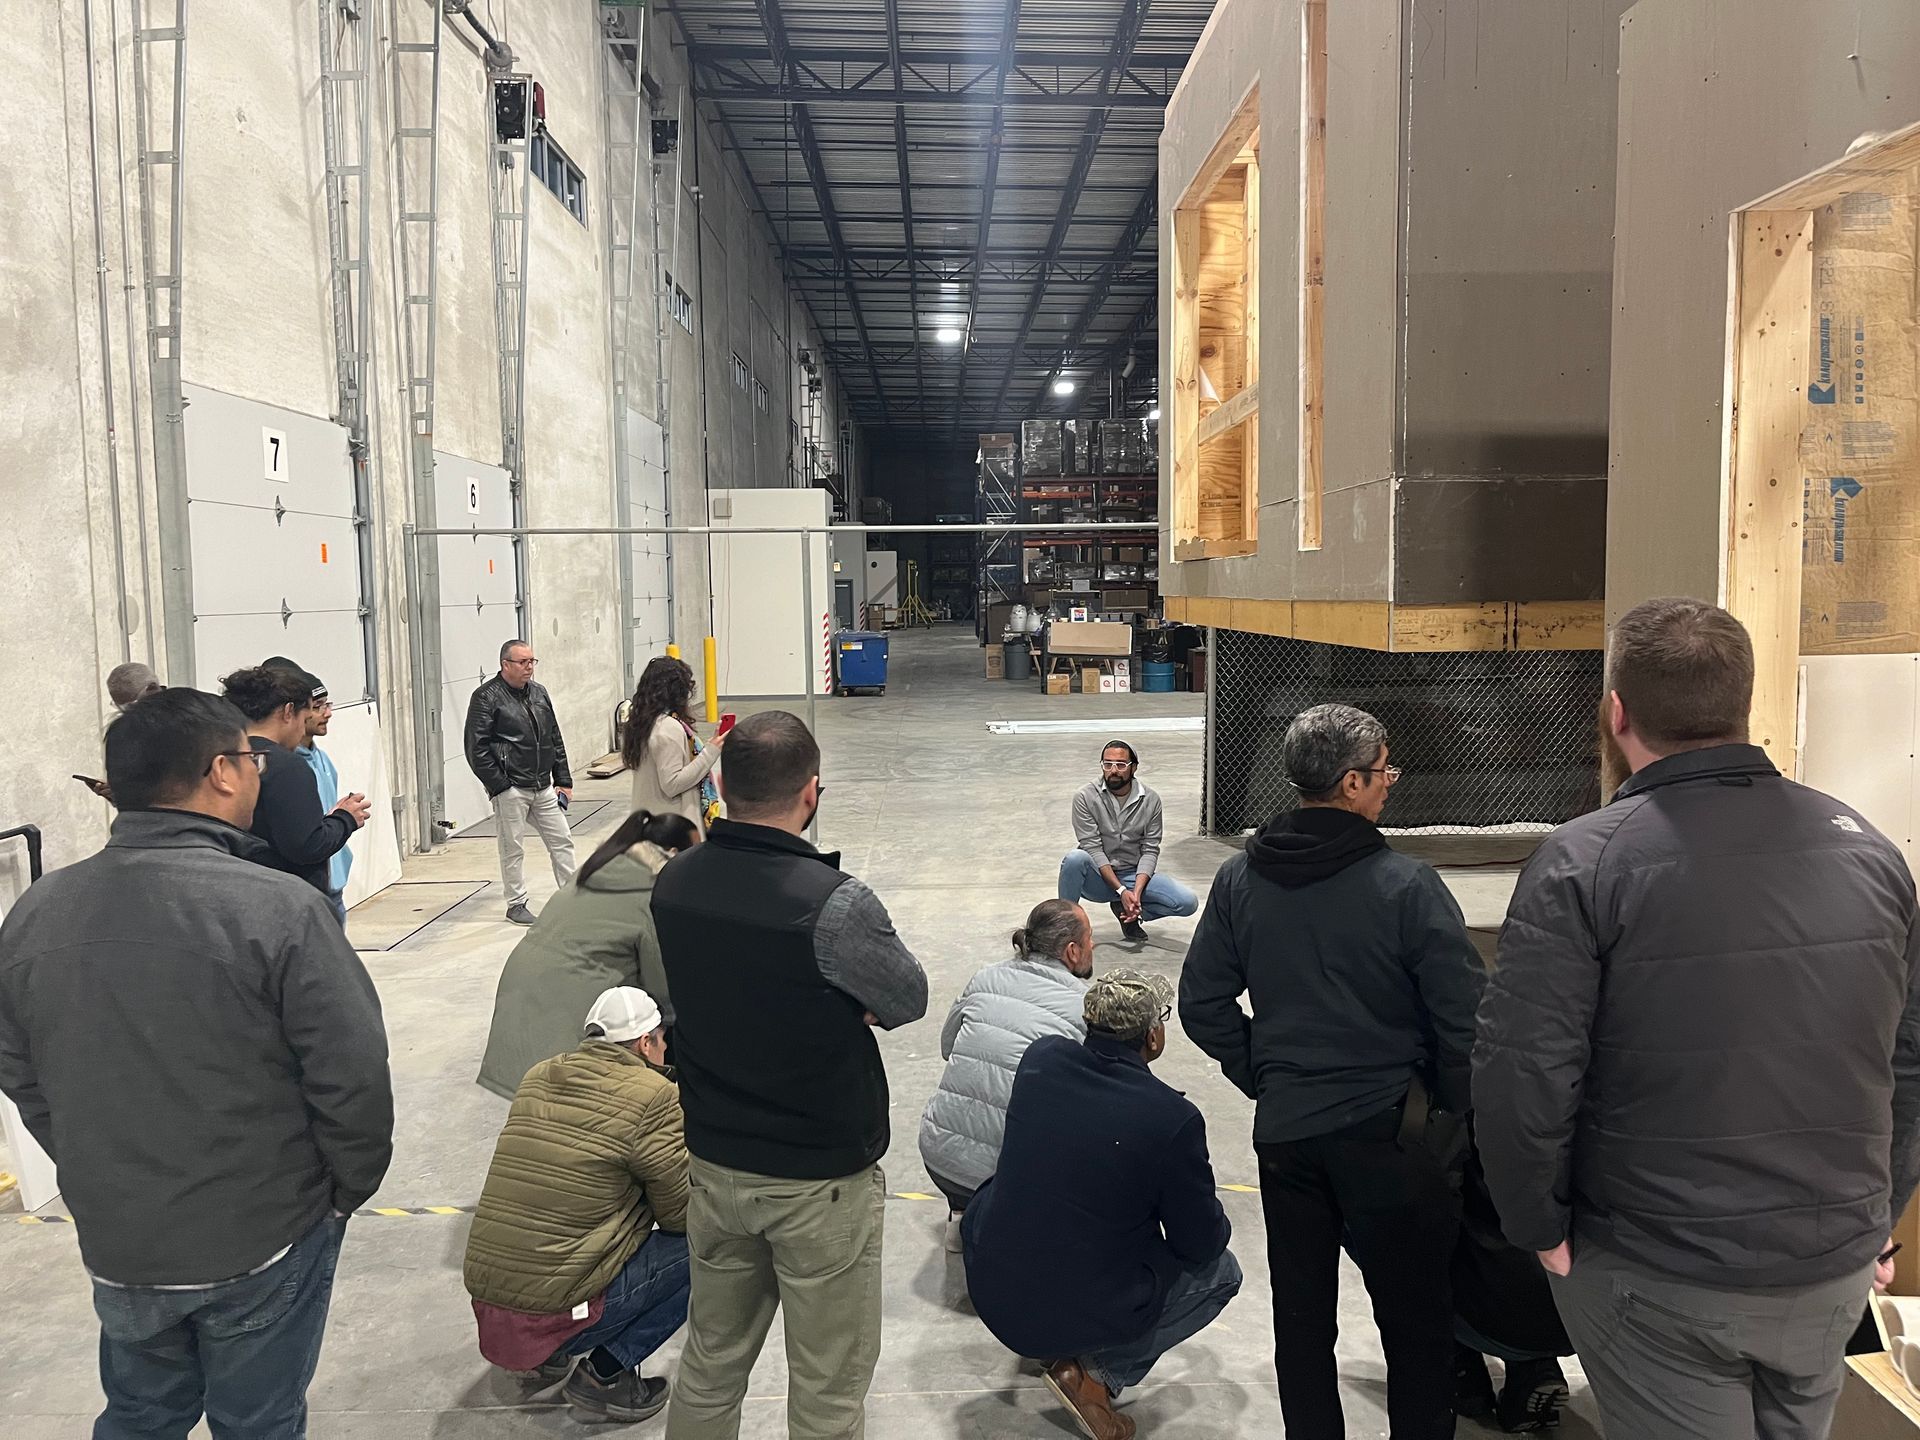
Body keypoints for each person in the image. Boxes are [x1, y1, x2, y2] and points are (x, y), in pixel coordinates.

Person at [1474, 596, 1920, 1440]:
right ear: (1740, 706)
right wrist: (1880, 1211)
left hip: (1657, 1267)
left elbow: (1523, 1072)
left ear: (1615, 711)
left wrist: (1537, 1225)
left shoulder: (1585, 862)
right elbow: (1909, 1056)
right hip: (1830, 1261)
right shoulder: (1867, 849)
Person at [0, 687, 393, 1439]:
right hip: (260, 1233)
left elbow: (22, 1074)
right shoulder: (279, 909)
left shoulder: (37, 911)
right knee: (257, 1420)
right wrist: (343, 1189)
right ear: (221, 771)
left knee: (143, 1415)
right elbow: (353, 1076)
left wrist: (95, 1169)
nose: (256, 774)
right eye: (251, 761)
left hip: (121, 1236)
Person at [1178, 702, 1485, 1440]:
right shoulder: (1405, 885)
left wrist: (1265, 1074)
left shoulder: (1241, 882)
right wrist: (1443, 1107)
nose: (1390, 782)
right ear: (1350, 783)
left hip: (1288, 1138)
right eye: (1383, 771)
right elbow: (1466, 1020)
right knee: (1417, 1327)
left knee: (1303, 1326)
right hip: (1390, 1137)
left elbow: (1202, 1003)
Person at [651, 710, 928, 1440]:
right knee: (828, 1389)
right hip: (819, 1181)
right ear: (811, 793)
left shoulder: (675, 881)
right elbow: (905, 998)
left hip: (715, 1163)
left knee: (710, 1361)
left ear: (719, 784)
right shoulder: (833, 903)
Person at [962, 970, 1242, 1440]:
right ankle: (1093, 1377)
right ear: (1154, 1035)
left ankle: (1064, 1344)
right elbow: (1200, 1244)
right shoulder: (1171, 1118)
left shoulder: (1042, 1059)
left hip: (991, 1284)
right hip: (1067, 1300)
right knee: (1223, 1273)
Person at [465, 986, 692, 1424]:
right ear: (646, 1043)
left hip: (491, 1310)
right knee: (712, 1249)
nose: (665, 1050)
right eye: (662, 1040)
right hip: (556, 1313)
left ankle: (544, 1358)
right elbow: (680, 1215)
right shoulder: (654, 1095)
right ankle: (605, 1375)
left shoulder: (539, 1074)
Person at [477, 809, 701, 1099]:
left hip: (518, 1001)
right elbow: (664, 988)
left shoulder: (599, 868)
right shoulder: (652, 892)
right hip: (561, 1019)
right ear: (673, 854)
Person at [918, 898, 1093, 1252]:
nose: (1095, 945)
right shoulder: (1085, 1004)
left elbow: (947, 1047)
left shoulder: (985, 977)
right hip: (1010, 1175)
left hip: (938, 1156)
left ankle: (961, 1212)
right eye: (1091, 937)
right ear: (1072, 951)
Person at [222, 665, 369, 908]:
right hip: (285, 902)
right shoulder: (287, 766)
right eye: (304, 718)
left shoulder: (221, 758)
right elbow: (306, 846)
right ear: (288, 711)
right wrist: (345, 819)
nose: (302, 729)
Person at [466, 638, 577, 925]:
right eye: (523, 662)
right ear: (505, 664)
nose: (529, 667)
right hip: (512, 788)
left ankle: (574, 899)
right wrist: (501, 785)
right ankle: (516, 903)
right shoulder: (486, 697)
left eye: (532, 661)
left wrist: (562, 778)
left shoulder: (539, 693)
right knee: (512, 847)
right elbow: (475, 748)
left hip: (543, 787)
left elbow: (554, 736)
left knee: (562, 840)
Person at [1058, 740, 1197, 942]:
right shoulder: (1085, 797)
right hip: (1098, 877)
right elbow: (1093, 848)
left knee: (1187, 902)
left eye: (1121, 765)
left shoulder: (1150, 800)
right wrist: (1120, 890)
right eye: (1107, 764)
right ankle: (1065, 928)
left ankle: (1130, 914)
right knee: (1075, 859)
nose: (1113, 770)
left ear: (1134, 767)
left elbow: (1150, 850)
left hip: (1132, 874)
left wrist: (1136, 895)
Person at [264, 656, 357, 923]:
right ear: (291, 712)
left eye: (327, 704)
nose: (326, 713)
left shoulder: (321, 758)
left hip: (332, 886)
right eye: (317, 707)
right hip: (306, 890)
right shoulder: (284, 768)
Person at [625, 654, 725, 829]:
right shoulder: (667, 728)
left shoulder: (642, 722)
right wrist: (710, 751)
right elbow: (672, 784)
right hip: (671, 828)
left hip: (648, 822)